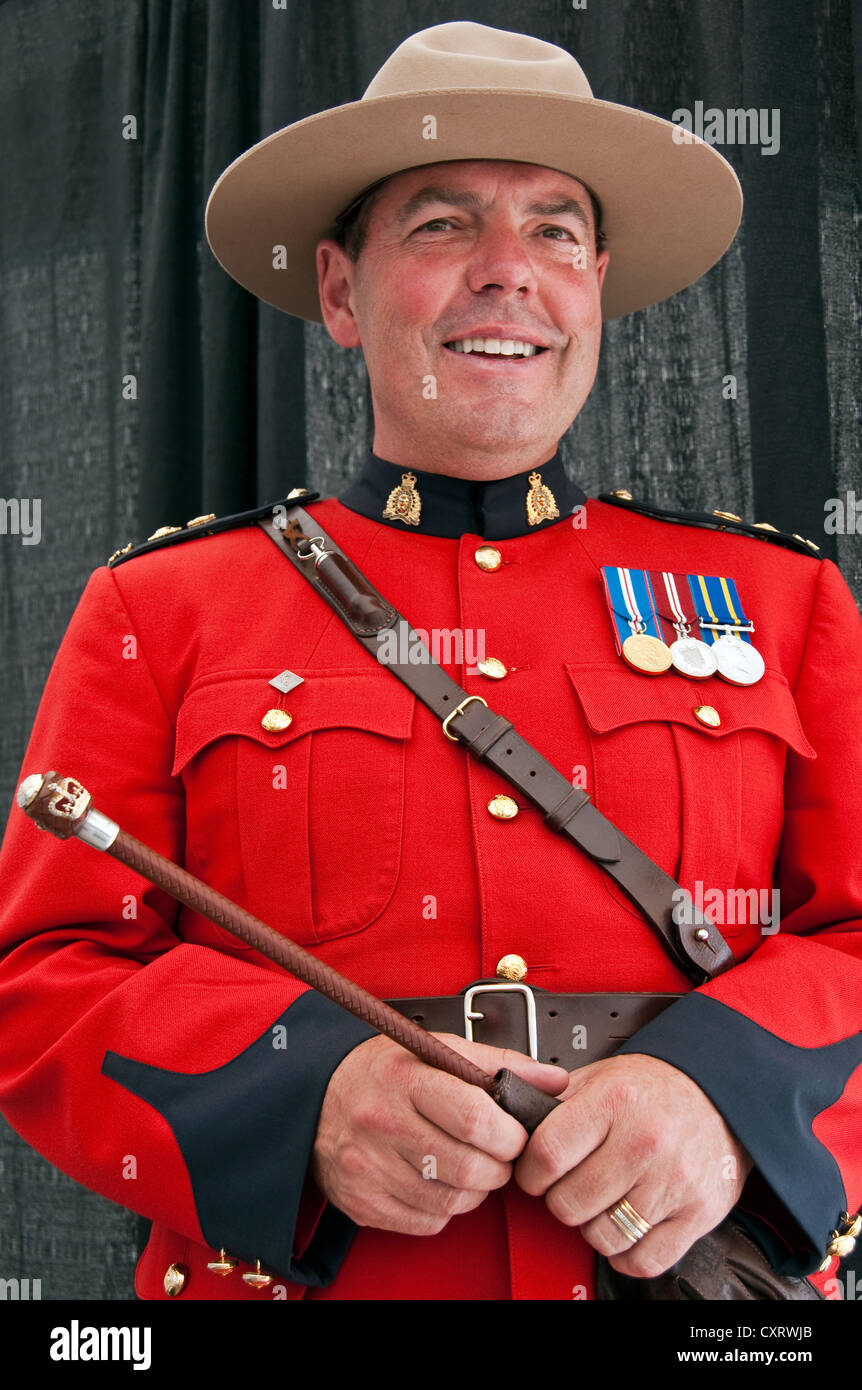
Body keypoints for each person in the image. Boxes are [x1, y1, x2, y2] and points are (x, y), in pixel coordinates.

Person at [0, 20, 860, 1303]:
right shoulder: (162, 606)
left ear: (596, 288)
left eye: (555, 231)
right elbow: (43, 980)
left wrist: (725, 1098)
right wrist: (306, 1097)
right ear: (341, 294)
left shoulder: (780, 600)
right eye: (444, 226)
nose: (508, 273)